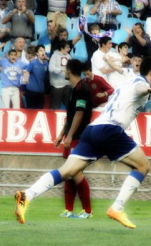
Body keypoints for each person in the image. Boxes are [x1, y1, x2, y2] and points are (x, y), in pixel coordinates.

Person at [14, 57, 151, 229]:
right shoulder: (140, 83)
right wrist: (148, 89)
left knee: (68, 171)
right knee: (143, 166)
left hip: (92, 130)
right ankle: (117, 207)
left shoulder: (128, 83)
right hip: (110, 129)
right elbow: (140, 88)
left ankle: (27, 195)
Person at [54, 59, 93, 219]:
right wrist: (60, 134)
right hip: (72, 136)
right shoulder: (72, 89)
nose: (64, 71)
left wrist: (69, 136)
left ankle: (88, 211)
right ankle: (69, 209)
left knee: (75, 173)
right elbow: (70, 117)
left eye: (65, 69)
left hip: (80, 137)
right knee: (69, 173)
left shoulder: (82, 89)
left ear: (69, 70)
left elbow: (79, 114)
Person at [0, 44, 28, 109]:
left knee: (17, 108)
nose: (13, 56)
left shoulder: (20, 63)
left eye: (15, 55)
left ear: (17, 56)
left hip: (16, 89)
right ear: (8, 56)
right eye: (11, 55)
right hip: (6, 88)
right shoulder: (4, 61)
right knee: (5, 108)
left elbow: (29, 68)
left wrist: (25, 74)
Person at [49, 40, 71, 110]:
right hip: (57, 85)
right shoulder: (54, 56)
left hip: (67, 84)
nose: (69, 49)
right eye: (67, 47)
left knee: (69, 106)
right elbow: (51, 68)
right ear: (62, 48)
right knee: (55, 107)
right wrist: (61, 69)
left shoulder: (69, 56)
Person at [24, 45, 48, 109]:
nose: (42, 52)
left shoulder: (46, 63)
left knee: (40, 110)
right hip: (31, 91)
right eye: (40, 50)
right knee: (30, 111)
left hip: (41, 92)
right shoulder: (33, 63)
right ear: (37, 53)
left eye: (43, 50)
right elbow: (26, 71)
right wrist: (26, 79)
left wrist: (48, 59)